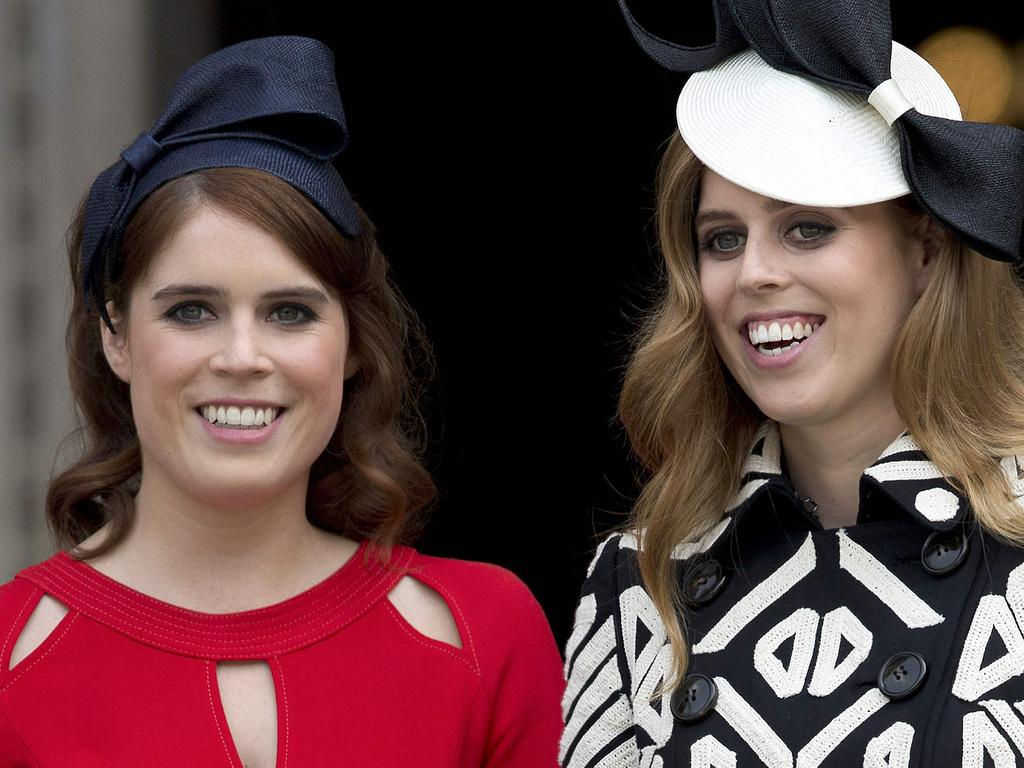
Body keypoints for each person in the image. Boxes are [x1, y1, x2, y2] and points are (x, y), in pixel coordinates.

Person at [0, 36, 564, 766]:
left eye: (290, 312)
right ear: (118, 337)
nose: (243, 358)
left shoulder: (485, 633)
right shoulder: (11, 655)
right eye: (191, 311)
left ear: (353, 344)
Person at [562, 1, 1024, 765]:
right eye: (723, 239)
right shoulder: (636, 581)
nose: (755, 274)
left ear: (928, 252)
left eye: (808, 227)